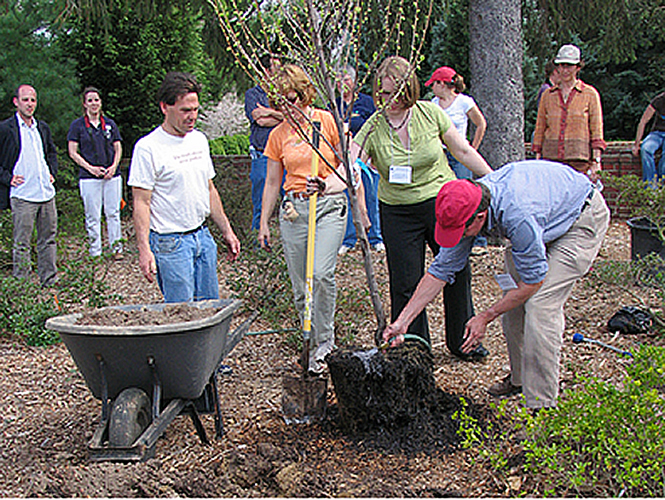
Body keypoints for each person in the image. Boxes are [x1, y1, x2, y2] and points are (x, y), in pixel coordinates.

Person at [383, 160, 610, 409]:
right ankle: (520, 379)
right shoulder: (466, 203)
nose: (457, 237)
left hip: (578, 220)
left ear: (480, 217)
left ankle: (542, 407)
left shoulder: (518, 215)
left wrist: (485, 316)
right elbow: (439, 272)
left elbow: (533, 282)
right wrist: (402, 322)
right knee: (513, 311)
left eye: (461, 231)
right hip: (542, 220)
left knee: (540, 307)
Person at [352, 56, 492, 360]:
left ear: (409, 88)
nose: (385, 99)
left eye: (392, 93)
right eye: (381, 93)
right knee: (405, 281)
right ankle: (416, 348)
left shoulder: (430, 113)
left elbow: (463, 150)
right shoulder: (374, 124)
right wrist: (329, 178)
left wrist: (495, 182)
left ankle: (462, 341)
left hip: (440, 203)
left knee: (455, 272)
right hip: (397, 210)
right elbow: (350, 161)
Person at [258, 64, 368, 375]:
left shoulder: (326, 121)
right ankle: (310, 340)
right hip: (294, 211)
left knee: (320, 274)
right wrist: (264, 221)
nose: (287, 106)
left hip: (328, 205)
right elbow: (271, 182)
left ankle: (325, 344)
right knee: (299, 287)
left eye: (292, 98)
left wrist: (351, 199)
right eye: (280, 101)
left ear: (305, 94)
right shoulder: (278, 135)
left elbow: (348, 165)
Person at [129, 72, 241, 303]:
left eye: (195, 110)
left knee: (210, 309)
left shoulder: (199, 140)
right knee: (182, 315)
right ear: (164, 107)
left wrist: (227, 231)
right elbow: (141, 202)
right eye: (185, 110)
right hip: (171, 243)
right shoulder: (148, 148)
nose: (192, 117)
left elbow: (209, 189)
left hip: (202, 236)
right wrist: (144, 249)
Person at [0, 84, 58, 287]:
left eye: (33, 100)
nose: (30, 104)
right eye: (25, 100)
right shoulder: (6, 128)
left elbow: (51, 152)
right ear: (16, 102)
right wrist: (7, 178)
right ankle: (22, 284)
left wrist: (52, 172)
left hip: (45, 192)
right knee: (22, 242)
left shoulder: (41, 127)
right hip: (23, 195)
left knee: (48, 239)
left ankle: (49, 279)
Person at [532, 44, 606, 183]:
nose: (565, 70)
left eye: (569, 66)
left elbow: (596, 129)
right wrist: (537, 157)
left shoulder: (590, 94)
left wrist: (596, 161)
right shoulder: (548, 95)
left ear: (578, 67)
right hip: (551, 160)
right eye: (561, 66)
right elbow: (540, 127)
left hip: (579, 160)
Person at [67, 87, 124, 258]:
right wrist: (90, 168)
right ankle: (95, 251)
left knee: (113, 212)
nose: (94, 103)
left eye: (96, 100)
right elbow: (72, 151)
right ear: (85, 104)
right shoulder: (77, 126)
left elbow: (118, 146)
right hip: (89, 177)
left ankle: (116, 249)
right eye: (90, 100)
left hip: (111, 176)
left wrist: (113, 167)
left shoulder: (110, 124)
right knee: (93, 215)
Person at [335, 65, 384, 255]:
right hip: (344, 157)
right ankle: (349, 239)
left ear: (354, 82)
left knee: (371, 195)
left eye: (346, 79)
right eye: (339, 80)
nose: (342, 84)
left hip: (365, 157)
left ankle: (375, 237)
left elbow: (376, 128)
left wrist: (373, 155)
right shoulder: (335, 104)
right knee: (348, 197)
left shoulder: (366, 102)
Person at [425, 66, 487, 181]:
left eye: (433, 84)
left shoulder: (464, 102)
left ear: (441, 84)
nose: (432, 88)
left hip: (459, 154)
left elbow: (481, 124)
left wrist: (473, 149)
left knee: (463, 187)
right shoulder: (434, 103)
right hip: (440, 154)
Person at [245, 53, 284, 232]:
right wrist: (281, 116)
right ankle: (258, 245)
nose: (280, 73)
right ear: (266, 71)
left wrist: (269, 112)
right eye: (276, 69)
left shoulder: (283, 94)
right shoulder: (253, 94)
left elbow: (292, 117)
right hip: (262, 155)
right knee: (261, 203)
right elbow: (259, 120)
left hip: (285, 156)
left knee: (291, 203)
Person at [631, 90, 665, 185]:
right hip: (657, 134)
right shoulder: (659, 100)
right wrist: (636, 144)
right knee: (646, 149)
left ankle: (661, 182)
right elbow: (643, 121)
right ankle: (650, 184)